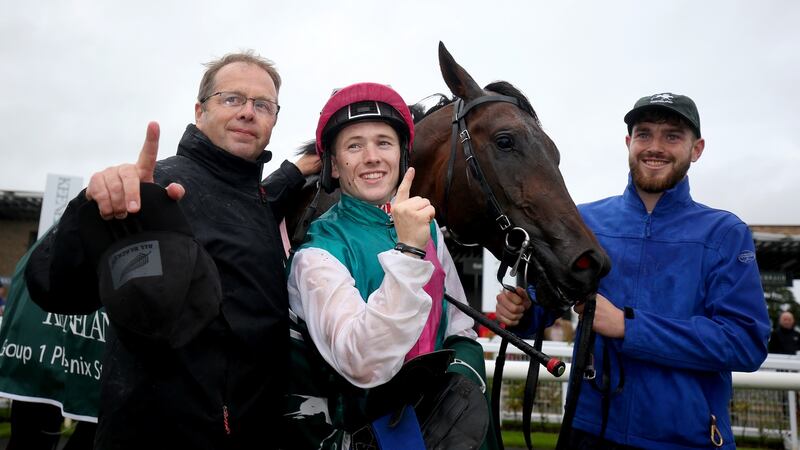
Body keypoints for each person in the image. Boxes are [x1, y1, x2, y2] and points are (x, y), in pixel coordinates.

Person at [24, 50, 319, 449]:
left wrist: (299, 168)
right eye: (232, 99)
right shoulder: (158, 189)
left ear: (274, 120)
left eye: (262, 105)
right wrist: (94, 210)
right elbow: (49, 285)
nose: (248, 112)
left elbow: (262, 199)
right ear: (200, 111)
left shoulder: (256, 200)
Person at [496, 92, 770, 449]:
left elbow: (744, 342)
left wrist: (628, 327)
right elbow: (548, 301)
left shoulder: (725, 233)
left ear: (697, 148)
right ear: (629, 142)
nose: (655, 146)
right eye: (644, 134)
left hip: (687, 439)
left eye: (672, 136)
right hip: (588, 431)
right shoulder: (585, 220)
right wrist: (523, 311)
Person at [283, 82, 496, 449]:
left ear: (401, 157)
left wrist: (463, 373)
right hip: (360, 432)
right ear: (334, 166)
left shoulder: (426, 226)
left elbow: (458, 324)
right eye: (354, 145)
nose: (371, 157)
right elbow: (362, 361)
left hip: (439, 426)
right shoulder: (315, 254)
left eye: (384, 142)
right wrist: (410, 254)